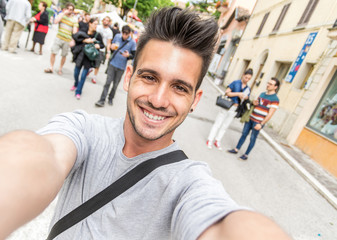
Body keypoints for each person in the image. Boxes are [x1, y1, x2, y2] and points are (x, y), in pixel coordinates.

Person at [0, 7, 290, 240]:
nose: (159, 99)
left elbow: (225, 225)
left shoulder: (188, 184)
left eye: (179, 87)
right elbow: (40, 155)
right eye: (149, 77)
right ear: (129, 77)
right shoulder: (84, 129)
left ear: (196, 99)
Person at [228, 77, 280, 160]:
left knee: (252, 138)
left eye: (270, 84)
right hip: (250, 118)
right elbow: (256, 104)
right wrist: (253, 103)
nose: (268, 85)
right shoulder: (262, 94)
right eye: (268, 83)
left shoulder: (275, 99)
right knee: (244, 134)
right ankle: (236, 149)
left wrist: (261, 124)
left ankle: (246, 155)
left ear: (275, 87)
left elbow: (270, 114)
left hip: (258, 122)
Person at [206, 68, 253, 150]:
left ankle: (217, 140)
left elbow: (246, 99)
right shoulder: (235, 83)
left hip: (235, 108)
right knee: (218, 123)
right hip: (227, 106)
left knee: (225, 126)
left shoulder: (248, 88)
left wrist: (245, 97)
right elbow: (227, 93)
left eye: (249, 78)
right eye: (246, 77)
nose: (247, 80)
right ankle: (210, 139)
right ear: (243, 75)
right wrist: (238, 94)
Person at [95, 24, 136, 107]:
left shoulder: (132, 42)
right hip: (113, 63)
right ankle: (102, 100)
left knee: (115, 84)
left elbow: (134, 55)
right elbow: (111, 45)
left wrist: (128, 56)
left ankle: (111, 98)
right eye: (123, 33)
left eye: (126, 34)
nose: (124, 35)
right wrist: (111, 47)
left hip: (121, 67)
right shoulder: (117, 36)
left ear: (129, 33)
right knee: (107, 82)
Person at [70, 18, 104, 100]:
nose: (96, 26)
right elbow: (75, 37)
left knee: (83, 76)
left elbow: (102, 45)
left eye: (97, 24)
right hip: (80, 54)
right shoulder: (83, 31)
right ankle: (75, 83)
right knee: (76, 72)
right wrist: (85, 40)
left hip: (89, 57)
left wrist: (97, 46)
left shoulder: (97, 35)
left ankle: (78, 92)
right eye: (94, 24)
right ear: (90, 23)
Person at [44, 2, 78, 75]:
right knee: (53, 52)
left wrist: (73, 40)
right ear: (65, 9)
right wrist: (63, 13)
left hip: (67, 40)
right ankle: (51, 67)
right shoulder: (61, 15)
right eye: (68, 9)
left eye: (71, 9)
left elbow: (75, 32)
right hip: (59, 37)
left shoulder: (74, 20)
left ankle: (60, 69)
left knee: (64, 55)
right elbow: (55, 22)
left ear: (73, 11)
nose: (69, 10)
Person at [90, 16, 113, 84]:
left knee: (98, 64)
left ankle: (94, 76)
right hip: (94, 47)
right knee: (90, 60)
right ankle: (89, 69)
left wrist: (108, 52)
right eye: (104, 20)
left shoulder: (109, 32)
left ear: (109, 22)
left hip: (102, 49)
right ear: (102, 20)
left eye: (107, 20)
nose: (105, 21)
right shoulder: (98, 27)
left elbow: (108, 43)